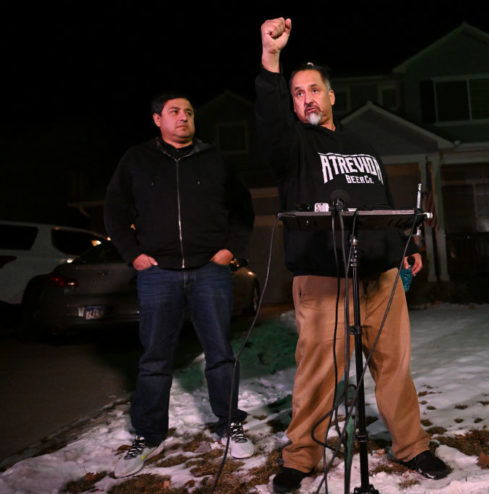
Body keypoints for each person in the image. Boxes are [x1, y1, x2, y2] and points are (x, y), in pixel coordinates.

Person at [256, 17, 449, 493]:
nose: (307, 99)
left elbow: (384, 202)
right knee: (318, 375)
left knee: (394, 369)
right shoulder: (293, 146)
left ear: (332, 95)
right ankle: (301, 457)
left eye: (314, 90)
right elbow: (271, 119)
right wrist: (271, 57)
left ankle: (412, 445)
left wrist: (409, 245)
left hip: (380, 276)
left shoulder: (363, 145)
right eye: (298, 93)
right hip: (324, 280)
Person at [104, 92, 255, 478]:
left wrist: (231, 251)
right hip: (158, 273)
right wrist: (133, 254)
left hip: (210, 270)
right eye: (175, 112)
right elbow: (115, 211)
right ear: (157, 119)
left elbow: (242, 209)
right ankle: (149, 435)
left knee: (220, 352)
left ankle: (229, 424)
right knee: (155, 358)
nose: (184, 117)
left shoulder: (215, 158)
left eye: (189, 112)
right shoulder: (137, 160)